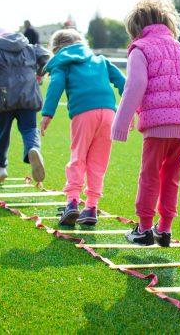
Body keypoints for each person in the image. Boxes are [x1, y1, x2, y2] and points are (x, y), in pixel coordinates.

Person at [111, 0, 180, 246]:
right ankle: (164, 229)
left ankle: (143, 229)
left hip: (158, 124)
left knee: (149, 175)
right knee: (171, 176)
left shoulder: (140, 49)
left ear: (136, 28)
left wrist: (121, 124)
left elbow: (135, 85)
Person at [40, 29, 126, 226]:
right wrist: (131, 109)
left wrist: (47, 114)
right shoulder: (100, 60)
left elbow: (56, 85)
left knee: (78, 156)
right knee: (98, 161)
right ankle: (91, 207)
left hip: (84, 112)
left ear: (56, 48)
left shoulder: (63, 62)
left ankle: (72, 202)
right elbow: (124, 83)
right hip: (109, 114)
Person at [0, 25, 50, 186]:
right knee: (29, 128)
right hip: (28, 94)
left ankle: (0, 168)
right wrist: (40, 73)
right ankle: (33, 149)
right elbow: (45, 56)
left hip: (4, 96)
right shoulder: (27, 46)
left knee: (2, 133)